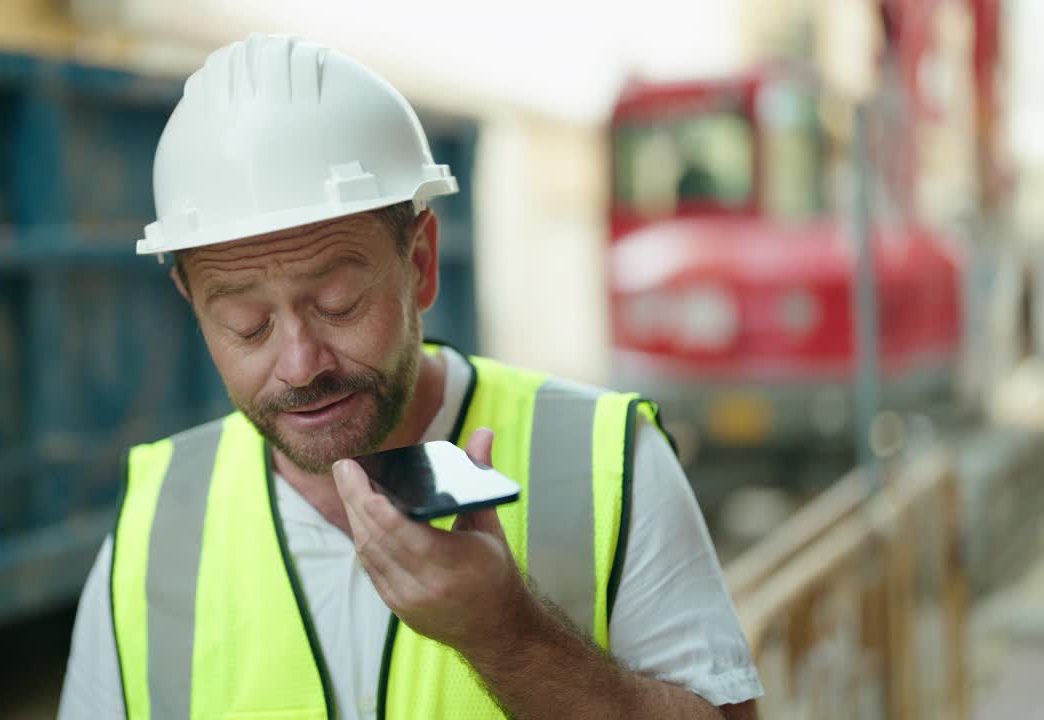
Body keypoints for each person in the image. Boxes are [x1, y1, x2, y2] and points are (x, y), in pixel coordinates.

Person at [59, 33, 762, 720]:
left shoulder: (607, 461)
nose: (302, 364)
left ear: (420, 263)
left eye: (339, 304)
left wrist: (508, 638)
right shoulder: (156, 523)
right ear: (192, 304)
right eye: (248, 324)